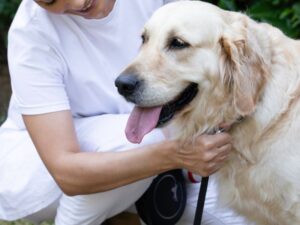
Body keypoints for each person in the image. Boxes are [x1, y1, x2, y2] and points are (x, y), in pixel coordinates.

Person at [0, 0, 253, 224]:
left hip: (157, 162)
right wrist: (175, 155)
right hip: (42, 175)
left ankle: (126, 210)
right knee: (146, 139)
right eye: (50, 1)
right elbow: (66, 172)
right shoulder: (31, 33)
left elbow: (225, 41)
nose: (77, 3)